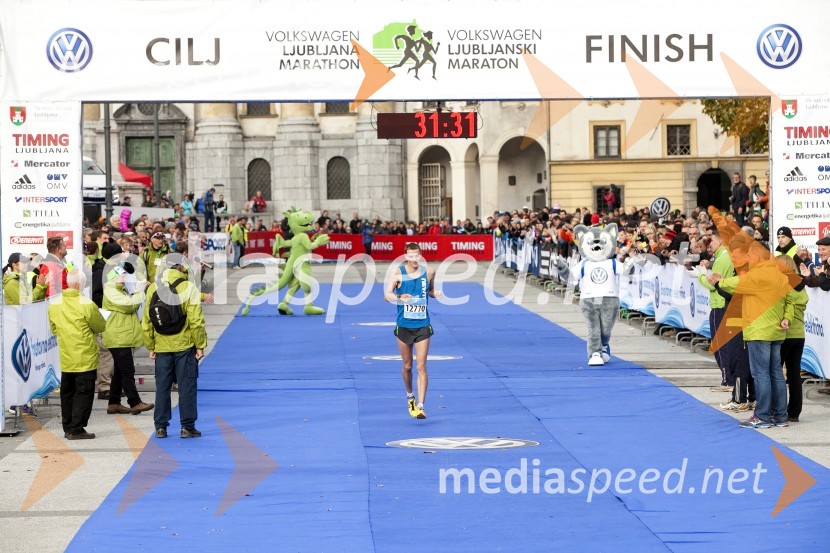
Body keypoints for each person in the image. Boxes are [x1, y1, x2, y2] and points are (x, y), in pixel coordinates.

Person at [709, 240, 797, 429]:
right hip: (776, 331)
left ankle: (763, 416)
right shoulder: (779, 274)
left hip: (758, 330)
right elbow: (790, 299)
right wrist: (787, 318)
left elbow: (735, 284)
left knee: (761, 375)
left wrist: (718, 281)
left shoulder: (757, 274)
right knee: (776, 374)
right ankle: (780, 416)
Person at [142, 246, 208, 439]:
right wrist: (200, 345)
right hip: (184, 345)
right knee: (187, 387)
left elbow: (146, 322)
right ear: (181, 267)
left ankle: (160, 426)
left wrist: (151, 346)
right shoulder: (189, 287)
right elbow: (196, 321)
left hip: (162, 346)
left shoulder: (154, 287)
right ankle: (187, 426)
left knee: (162, 387)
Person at [384, 243, 442, 419]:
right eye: (410, 256)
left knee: (421, 366)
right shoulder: (398, 272)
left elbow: (429, 291)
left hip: (423, 324)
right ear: (405, 257)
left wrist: (435, 293)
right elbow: (387, 295)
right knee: (407, 366)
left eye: (417, 256)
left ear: (421, 255)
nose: (414, 259)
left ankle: (421, 406)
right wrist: (400, 297)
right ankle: (410, 396)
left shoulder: (429, 271)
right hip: (404, 325)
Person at [48, 270, 107, 440]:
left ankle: (68, 426)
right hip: (84, 355)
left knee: (67, 392)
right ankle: (77, 428)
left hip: (66, 355)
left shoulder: (54, 304)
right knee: (83, 392)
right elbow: (99, 326)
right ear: (81, 284)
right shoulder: (86, 304)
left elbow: (53, 329)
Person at [101, 243, 154, 415]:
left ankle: (114, 402)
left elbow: (128, 270)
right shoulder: (111, 287)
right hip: (118, 334)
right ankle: (134, 402)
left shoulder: (117, 285)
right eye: (121, 274)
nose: (124, 277)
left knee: (119, 370)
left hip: (121, 333)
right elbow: (129, 305)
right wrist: (139, 292)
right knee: (127, 370)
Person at [776, 254, 808, 422]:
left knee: (776, 372)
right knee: (794, 373)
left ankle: (778, 408)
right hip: (799, 334)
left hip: (785, 333)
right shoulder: (801, 286)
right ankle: (794, 412)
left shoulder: (783, 285)